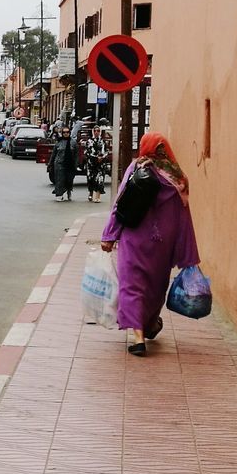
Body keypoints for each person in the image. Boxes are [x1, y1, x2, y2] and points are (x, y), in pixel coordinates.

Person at [100, 132, 199, 356]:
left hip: (134, 238)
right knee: (155, 287)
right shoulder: (178, 178)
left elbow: (121, 204)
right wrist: (185, 250)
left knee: (131, 285)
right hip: (162, 243)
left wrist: (109, 235)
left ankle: (138, 337)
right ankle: (151, 323)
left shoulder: (138, 168)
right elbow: (184, 216)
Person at [49, 126, 75, 201]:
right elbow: (53, 154)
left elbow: (76, 154)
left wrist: (75, 164)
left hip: (69, 164)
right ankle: (59, 195)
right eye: (64, 132)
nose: (66, 134)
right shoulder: (59, 142)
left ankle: (68, 191)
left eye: (67, 132)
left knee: (69, 179)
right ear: (62, 133)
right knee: (59, 179)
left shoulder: (73, 142)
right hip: (59, 163)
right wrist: (50, 164)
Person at [84, 130, 109, 202]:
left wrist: (103, 157)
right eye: (95, 131)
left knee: (100, 180)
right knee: (91, 179)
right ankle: (91, 193)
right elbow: (86, 152)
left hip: (100, 164)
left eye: (98, 131)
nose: (96, 132)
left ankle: (98, 197)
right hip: (91, 164)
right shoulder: (89, 141)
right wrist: (95, 157)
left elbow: (106, 151)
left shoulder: (103, 141)